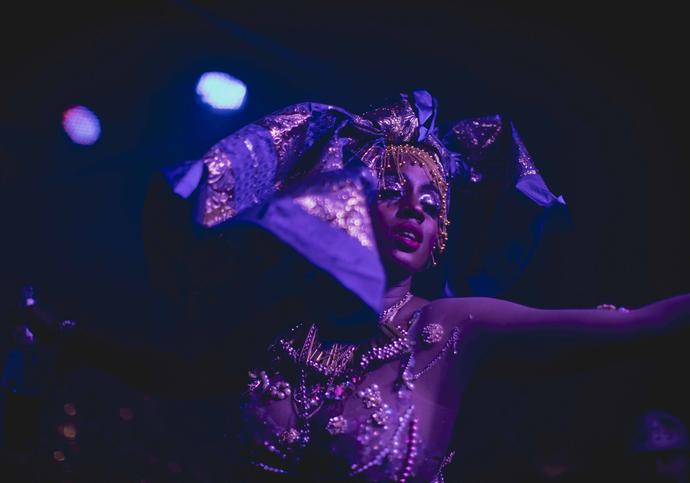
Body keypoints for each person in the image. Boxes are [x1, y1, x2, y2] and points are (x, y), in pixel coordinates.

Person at [11, 90, 690, 482]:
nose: (415, 207)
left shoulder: (451, 328)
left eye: (432, 202)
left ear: (440, 236)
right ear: (351, 207)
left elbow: (638, 324)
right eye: (392, 192)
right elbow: (176, 370)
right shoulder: (281, 330)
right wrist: (69, 337)